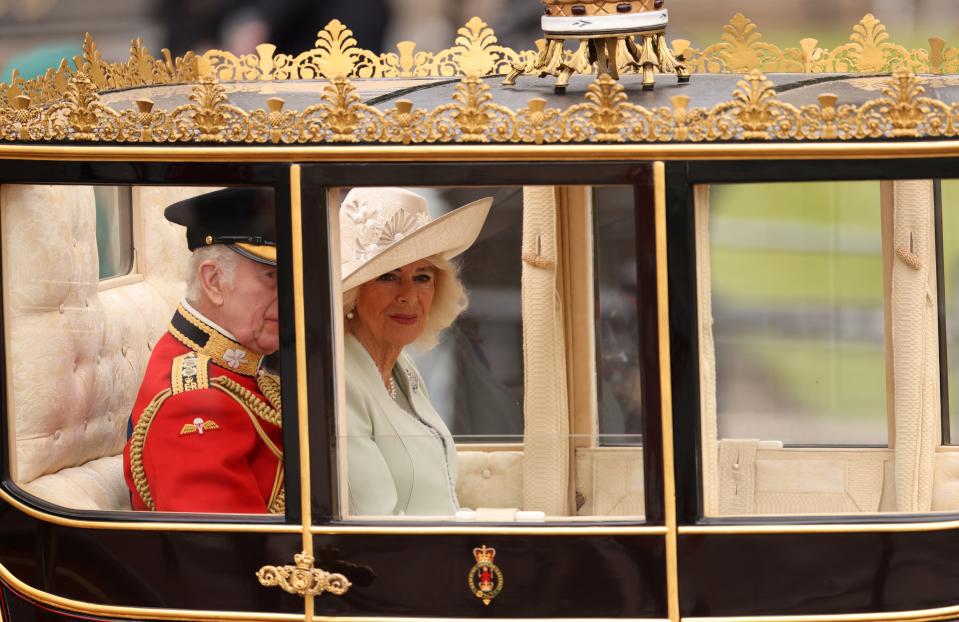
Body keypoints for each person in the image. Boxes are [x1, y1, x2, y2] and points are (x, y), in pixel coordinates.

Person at [123, 188, 283, 513]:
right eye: (271, 276)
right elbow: (223, 555)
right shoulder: (193, 401)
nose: (293, 294)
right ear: (213, 282)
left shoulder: (238, 366)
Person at [340, 187, 492, 516]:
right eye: (388, 276)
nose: (409, 295)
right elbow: (373, 518)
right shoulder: (340, 381)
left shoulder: (402, 367)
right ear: (352, 293)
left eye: (422, 276)